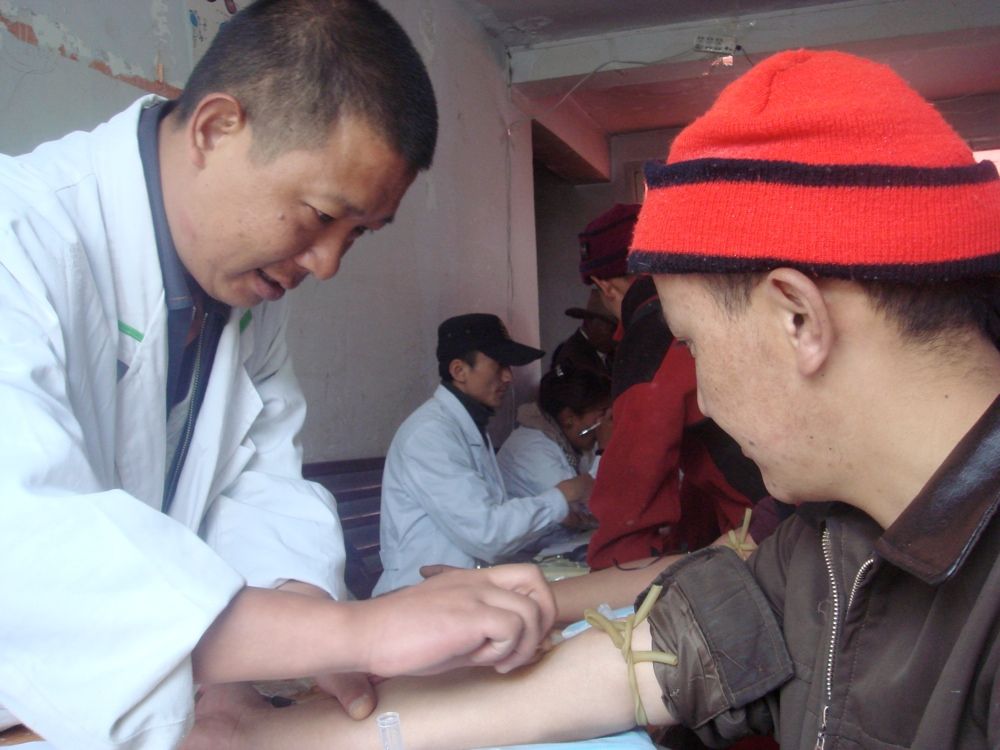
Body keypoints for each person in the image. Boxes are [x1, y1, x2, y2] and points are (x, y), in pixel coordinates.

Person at [180, 48, 1000, 750]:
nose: (703, 401)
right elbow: (655, 654)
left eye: (696, 346)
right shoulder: (828, 545)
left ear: (798, 319)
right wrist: (266, 734)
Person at [0, 2, 559, 748]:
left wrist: (299, 626)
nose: (325, 263)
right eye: (320, 214)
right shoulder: (21, 240)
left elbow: (258, 484)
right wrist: (350, 631)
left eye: (355, 235)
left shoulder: (244, 301)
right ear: (216, 129)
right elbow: (27, 547)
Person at [580, 204, 771, 569]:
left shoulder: (652, 336)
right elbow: (709, 456)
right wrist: (689, 541)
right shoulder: (726, 303)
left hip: (766, 540)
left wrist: (610, 575)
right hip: (786, 525)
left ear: (605, 286)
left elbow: (632, 485)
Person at [373, 313, 594, 594]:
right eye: (499, 364)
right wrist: (563, 494)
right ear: (459, 370)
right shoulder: (429, 435)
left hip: (461, 588)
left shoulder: (466, 426)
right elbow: (487, 534)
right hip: (421, 597)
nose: (508, 376)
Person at [497, 365, 612, 551]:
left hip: (555, 548)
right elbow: (589, 506)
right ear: (569, 418)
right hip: (527, 557)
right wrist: (605, 450)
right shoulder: (533, 448)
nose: (604, 425)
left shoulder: (570, 442)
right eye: (601, 415)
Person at [550, 288, 617, 377]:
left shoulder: (610, 356)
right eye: (611, 329)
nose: (616, 336)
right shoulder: (572, 359)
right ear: (589, 322)